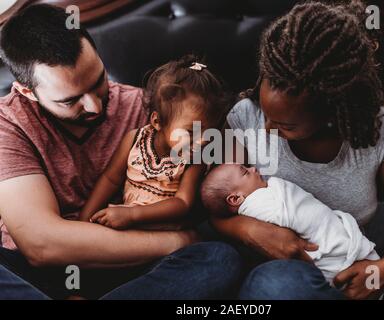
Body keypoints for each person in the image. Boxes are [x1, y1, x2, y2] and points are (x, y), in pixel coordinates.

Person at [0, 4, 240, 299]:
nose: (95, 106)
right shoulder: (8, 125)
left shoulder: (151, 110)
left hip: (129, 264)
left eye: (99, 80)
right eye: (70, 100)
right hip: (38, 273)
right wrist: (180, 241)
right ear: (26, 91)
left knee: (217, 259)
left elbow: (213, 182)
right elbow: (41, 244)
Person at [211, 1, 384, 299]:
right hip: (288, 271)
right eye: (267, 114)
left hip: (357, 261)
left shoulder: (381, 127)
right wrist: (249, 231)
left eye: (286, 125)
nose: (268, 128)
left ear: (332, 114)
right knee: (277, 287)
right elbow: (216, 203)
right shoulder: (246, 116)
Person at [80, 56, 230, 230]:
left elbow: (183, 202)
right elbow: (110, 179)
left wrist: (133, 214)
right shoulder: (134, 140)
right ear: (157, 121)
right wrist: (84, 220)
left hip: (166, 233)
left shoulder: (195, 158)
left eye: (210, 131)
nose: (203, 140)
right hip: (124, 227)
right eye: (191, 132)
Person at [201, 163, 379, 284]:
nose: (254, 168)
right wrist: (250, 229)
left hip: (338, 240)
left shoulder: (256, 194)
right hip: (326, 256)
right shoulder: (257, 204)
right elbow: (286, 217)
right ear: (235, 198)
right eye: (246, 172)